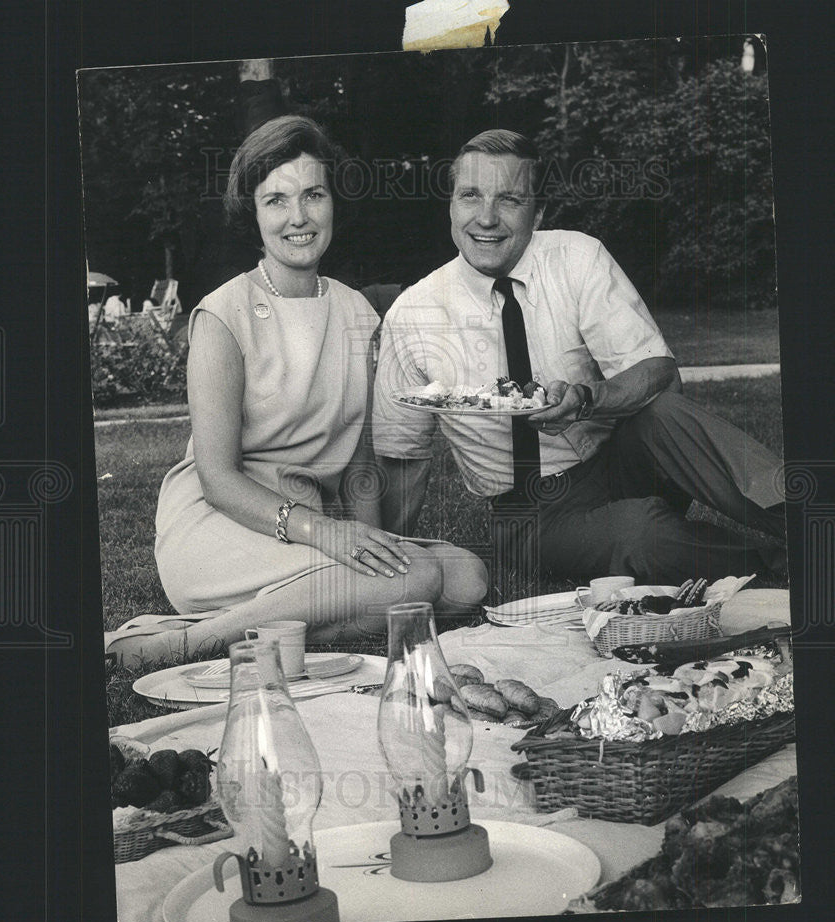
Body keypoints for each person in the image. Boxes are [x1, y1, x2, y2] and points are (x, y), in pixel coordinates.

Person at [112, 116, 487, 665]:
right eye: (276, 201)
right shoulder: (223, 315)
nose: (298, 218)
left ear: (332, 201)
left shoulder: (356, 310)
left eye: (312, 195)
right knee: (414, 582)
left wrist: (368, 543)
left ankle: (276, 625)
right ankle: (183, 644)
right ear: (253, 213)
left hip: (314, 531)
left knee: (466, 581)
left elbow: (358, 457)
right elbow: (217, 479)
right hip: (223, 526)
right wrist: (333, 540)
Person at [372, 128, 787, 589]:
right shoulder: (412, 314)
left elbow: (662, 376)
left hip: (619, 461)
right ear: (451, 205)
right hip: (529, 512)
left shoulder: (577, 257)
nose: (485, 218)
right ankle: (780, 563)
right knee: (641, 535)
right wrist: (395, 565)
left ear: (539, 213)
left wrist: (588, 398)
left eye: (509, 199)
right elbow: (402, 458)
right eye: (470, 196)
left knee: (662, 412)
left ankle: (813, 519)